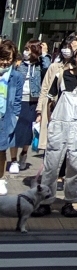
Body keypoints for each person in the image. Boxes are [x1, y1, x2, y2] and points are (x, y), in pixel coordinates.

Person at [32, 41, 77, 216]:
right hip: (59, 125)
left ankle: (69, 202)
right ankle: (46, 202)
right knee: (51, 165)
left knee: (75, 167)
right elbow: (50, 99)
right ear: (74, 58)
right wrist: (49, 123)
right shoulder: (62, 76)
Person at [6, 42, 43, 172]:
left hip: (32, 102)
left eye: (29, 49)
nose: (26, 52)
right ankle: (13, 160)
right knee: (14, 131)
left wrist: (43, 54)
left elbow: (48, 67)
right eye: (25, 49)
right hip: (18, 100)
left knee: (28, 132)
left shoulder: (40, 66)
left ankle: (24, 153)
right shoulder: (18, 64)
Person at [0, 42, 25, 172]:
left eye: (8, 59)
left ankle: (1, 179)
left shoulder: (17, 76)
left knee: (1, 150)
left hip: (5, 116)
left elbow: (17, 100)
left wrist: (15, 116)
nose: (5, 62)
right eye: (2, 58)